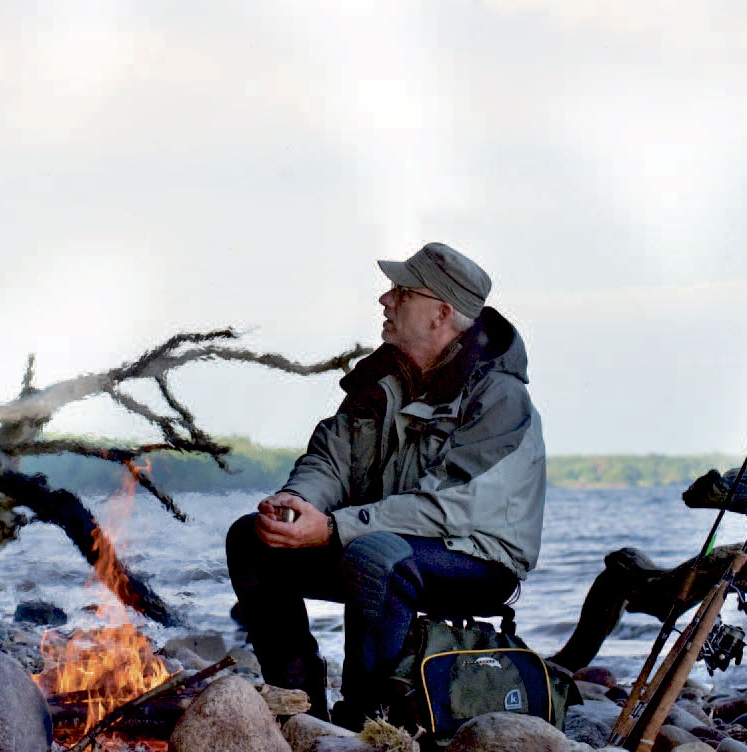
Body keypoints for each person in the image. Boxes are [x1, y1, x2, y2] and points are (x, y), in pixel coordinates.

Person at [226, 242, 546, 727]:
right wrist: (296, 505)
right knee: (252, 539)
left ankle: (368, 721)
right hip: (377, 541)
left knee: (376, 556)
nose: (385, 300)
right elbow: (330, 458)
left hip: (477, 555)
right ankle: (297, 709)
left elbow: (448, 508)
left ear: (441, 312)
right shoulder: (382, 380)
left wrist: (332, 530)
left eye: (401, 291)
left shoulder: (500, 399)